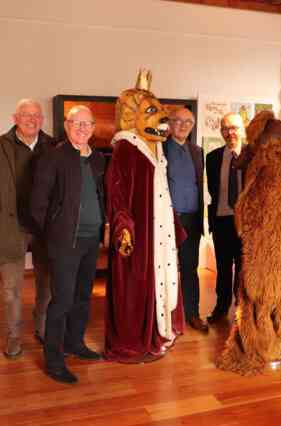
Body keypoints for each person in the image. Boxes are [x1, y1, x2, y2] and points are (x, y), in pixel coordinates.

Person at [216, 111, 281, 375]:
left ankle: (265, 346)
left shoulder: (267, 166)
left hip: (264, 249)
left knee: (258, 300)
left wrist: (246, 228)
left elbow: (251, 213)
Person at [103, 75, 186, 364]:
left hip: (159, 234)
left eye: (159, 110)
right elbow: (117, 192)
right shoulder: (126, 149)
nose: (162, 116)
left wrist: (174, 224)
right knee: (136, 284)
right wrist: (123, 225)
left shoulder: (155, 148)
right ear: (131, 118)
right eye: (151, 111)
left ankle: (158, 330)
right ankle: (134, 339)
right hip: (140, 236)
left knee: (160, 279)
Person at [31, 105, 105, 384]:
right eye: (77, 123)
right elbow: (37, 203)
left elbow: (101, 196)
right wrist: (54, 233)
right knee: (61, 300)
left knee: (83, 297)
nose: (83, 128)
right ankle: (53, 360)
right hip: (65, 242)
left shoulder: (98, 159)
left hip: (91, 239)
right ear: (67, 125)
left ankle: (75, 343)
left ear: (94, 127)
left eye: (88, 124)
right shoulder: (53, 157)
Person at [0, 98, 55, 359]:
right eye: (26, 115)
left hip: (45, 228)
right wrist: (5, 208)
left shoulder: (54, 146)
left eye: (36, 116)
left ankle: (42, 326)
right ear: (15, 118)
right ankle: (13, 336)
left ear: (42, 120)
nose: (32, 120)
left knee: (47, 282)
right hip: (11, 226)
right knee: (11, 289)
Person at [164, 107, 208, 333]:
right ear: (169, 124)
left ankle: (192, 313)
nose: (182, 125)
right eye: (177, 121)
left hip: (191, 220)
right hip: (166, 221)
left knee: (190, 269)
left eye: (187, 122)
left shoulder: (197, 151)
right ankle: (164, 317)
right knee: (164, 270)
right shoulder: (159, 148)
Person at [205, 113, 245, 324]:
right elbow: (213, 190)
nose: (230, 132)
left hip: (245, 224)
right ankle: (221, 307)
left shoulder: (252, 156)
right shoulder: (212, 158)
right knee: (222, 267)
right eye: (225, 128)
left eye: (234, 128)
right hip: (221, 221)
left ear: (242, 129)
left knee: (243, 268)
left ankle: (241, 308)